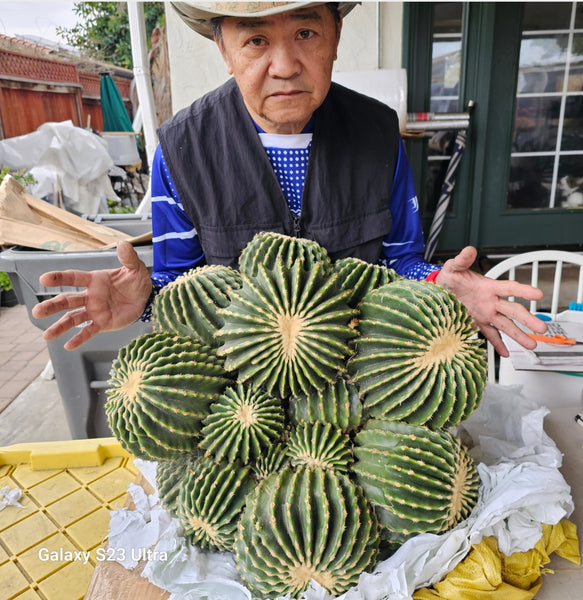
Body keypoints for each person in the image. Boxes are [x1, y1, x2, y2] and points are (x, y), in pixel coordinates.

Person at [32, 1, 546, 358]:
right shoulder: (183, 149)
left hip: (360, 374)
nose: (284, 66)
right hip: (240, 397)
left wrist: (441, 284)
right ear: (225, 50)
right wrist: (144, 301)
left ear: (335, 38)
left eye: (305, 33)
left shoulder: (377, 133)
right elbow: (180, 285)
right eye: (255, 40)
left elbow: (400, 261)